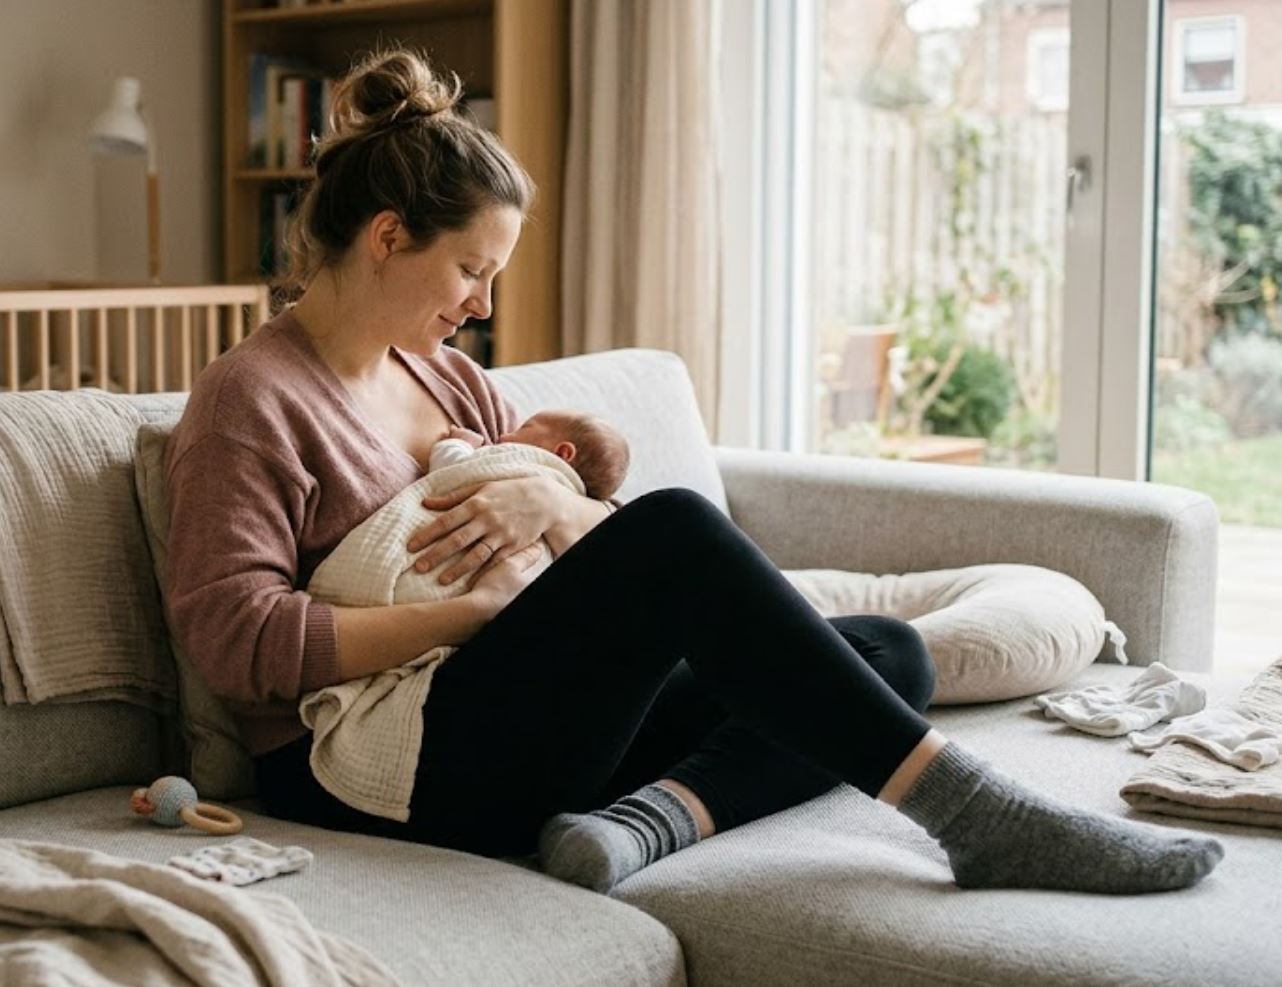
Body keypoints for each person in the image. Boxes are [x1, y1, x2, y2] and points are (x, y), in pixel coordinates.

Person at [163, 47, 1223, 895]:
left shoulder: (449, 380)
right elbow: (233, 638)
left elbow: (607, 568)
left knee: (886, 653)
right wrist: (473, 615)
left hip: (515, 722)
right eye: (471, 270)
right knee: (674, 527)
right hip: (368, 769)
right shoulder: (251, 397)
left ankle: (639, 827)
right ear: (389, 236)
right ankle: (972, 814)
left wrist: (558, 498)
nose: (483, 305)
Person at [431, 411, 629, 502]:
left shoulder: (520, 464)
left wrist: (458, 444)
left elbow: (450, 475)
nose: (503, 436)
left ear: (562, 453)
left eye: (524, 428)